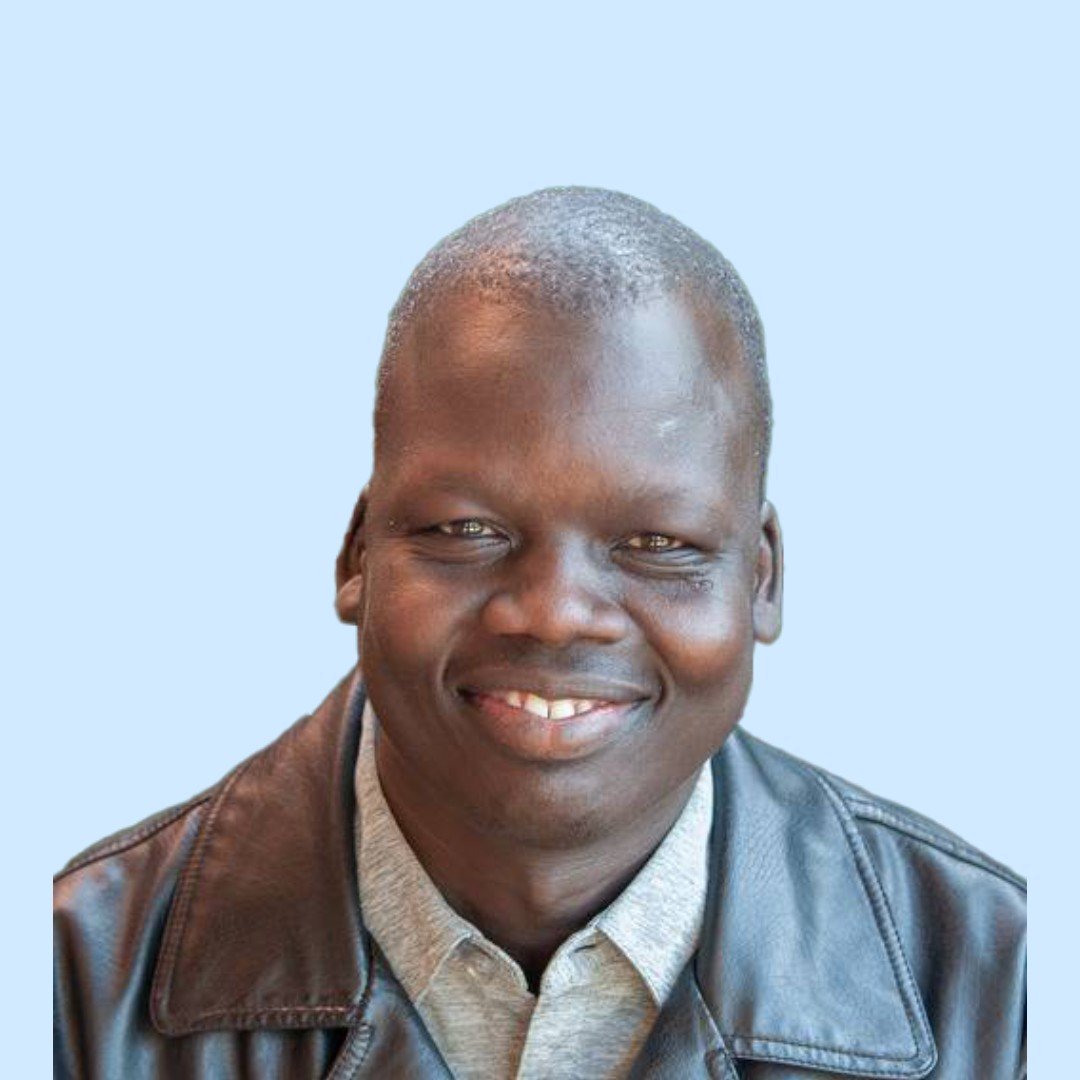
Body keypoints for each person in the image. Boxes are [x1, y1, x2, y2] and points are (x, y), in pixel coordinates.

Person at [53, 188, 1026, 1079]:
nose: (556, 610)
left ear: (761, 579)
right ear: (356, 556)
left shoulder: (1001, 986)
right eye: (465, 531)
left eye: (656, 543)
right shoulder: (72, 984)